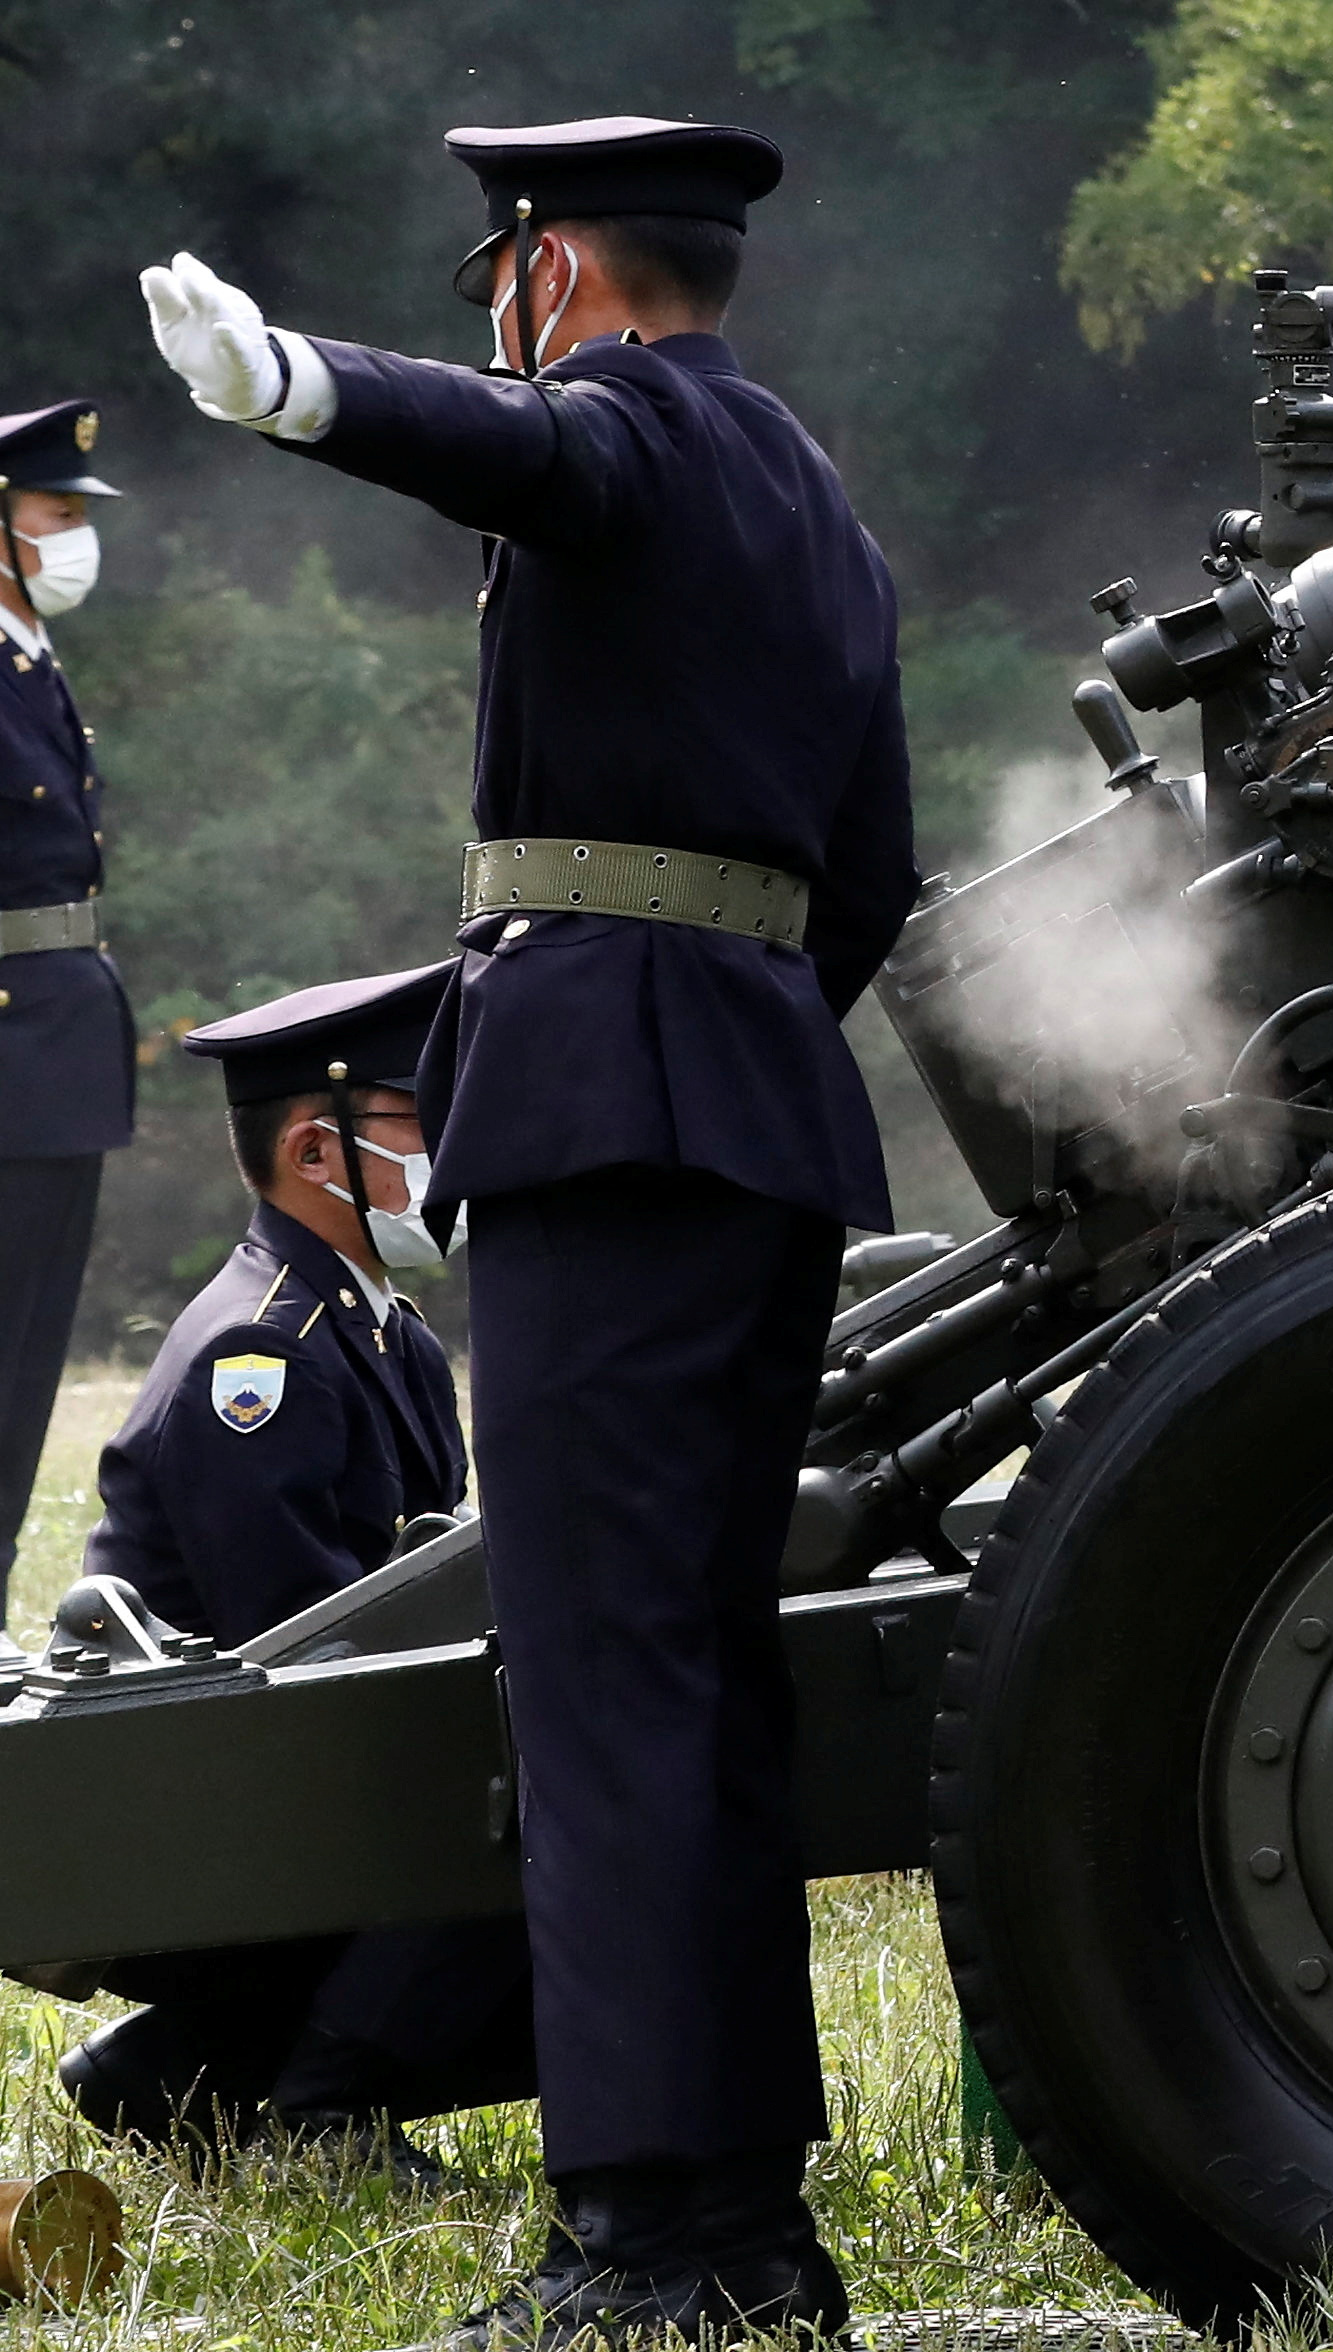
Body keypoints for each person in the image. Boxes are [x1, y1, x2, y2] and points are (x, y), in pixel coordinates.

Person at [138, 119, 912, 2349]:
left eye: (505, 274)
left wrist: (294, 383)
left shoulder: (631, 435)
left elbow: (513, 455)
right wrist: (730, 1034)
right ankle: (740, 2225)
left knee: (601, 1688)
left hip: (609, 1119)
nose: (505, 312)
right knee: (701, 1676)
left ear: (557, 271)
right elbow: (860, 873)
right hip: (757, 1110)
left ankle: (656, 2241)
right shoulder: (821, 510)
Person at [53, 961, 537, 2164]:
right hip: (212, 1815)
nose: (448, 1146)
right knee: (529, 1797)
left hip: (277, 1779)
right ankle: (326, 2107)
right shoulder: (257, 1360)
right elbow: (320, 1655)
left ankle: (184, 2069)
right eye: (415, 1119)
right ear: (321, 1155)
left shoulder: (381, 1330)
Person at [0, 395, 130, 1595]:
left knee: (27, 1353)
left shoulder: (30, 658)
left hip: (53, 1049)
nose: (74, 533)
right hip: (11, 1052)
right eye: (52, 514)